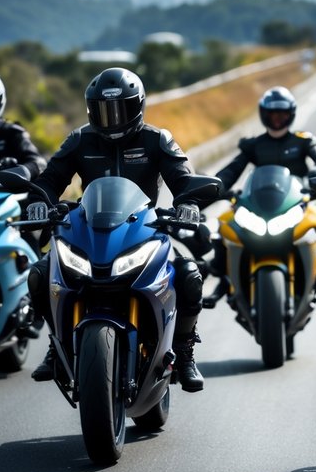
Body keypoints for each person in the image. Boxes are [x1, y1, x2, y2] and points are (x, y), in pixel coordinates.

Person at [23, 68, 213, 392]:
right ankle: (57, 346)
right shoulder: (80, 139)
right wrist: (38, 201)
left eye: (119, 110)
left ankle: (183, 352)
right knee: (40, 276)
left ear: (137, 105)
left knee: (190, 275)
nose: (111, 119)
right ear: (90, 111)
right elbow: (49, 179)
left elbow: (183, 179)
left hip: (146, 228)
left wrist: (190, 203)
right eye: (102, 111)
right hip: (89, 229)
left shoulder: (157, 139)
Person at [203, 86, 316, 303]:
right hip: (257, 204)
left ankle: (315, 270)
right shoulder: (253, 145)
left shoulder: (303, 141)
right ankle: (224, 280)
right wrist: (216, 185)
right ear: (264, 115)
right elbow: (232, 170)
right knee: (224, 224)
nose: (277, 120)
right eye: (273, 114)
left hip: (297, 201)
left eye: (282, 114)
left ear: (290, 115)